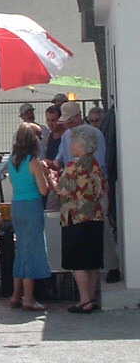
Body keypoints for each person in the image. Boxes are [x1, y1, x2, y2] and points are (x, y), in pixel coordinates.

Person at [52, 126, 106, 314]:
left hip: (75, 217)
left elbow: (63, 191)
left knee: (78, 262)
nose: (70, 145)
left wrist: (51, 179)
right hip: (95, 216)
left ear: (81, 145)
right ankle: (91, 298)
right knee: (92, 261)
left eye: (73, 142)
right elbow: (102, 189)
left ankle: (84, 301)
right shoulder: (95, 164)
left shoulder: (73, 167)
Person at [7, 123, 51, 311]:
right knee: (31, 251)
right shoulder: (34, 161)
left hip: (17, 205)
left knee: (21, 250)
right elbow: (43, 190)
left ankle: (16, 295)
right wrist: (47, 175)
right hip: (32, 206)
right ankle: (29, 298)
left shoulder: (12, 160)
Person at [55, 101, 106, 172]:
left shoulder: (94, 133)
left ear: (78, 116)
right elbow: (59, 158)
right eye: (66, 122)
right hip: (71, 179)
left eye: (70, 121)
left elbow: (100, 162)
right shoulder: (66, 135)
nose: (68, 125)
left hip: (91, 178)